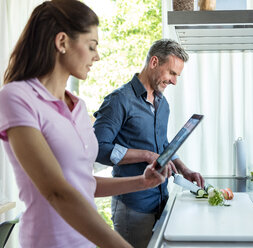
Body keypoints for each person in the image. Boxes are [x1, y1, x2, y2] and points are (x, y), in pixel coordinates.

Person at [0, 1, 172, 247]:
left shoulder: (78, 107)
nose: (97, 56)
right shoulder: (17, 97)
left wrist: (142, 182)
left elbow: (83, 184)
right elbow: (57, 191)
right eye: (91, 46)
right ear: (62, 42)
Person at [93, 39, 205, 247]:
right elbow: (98, 149)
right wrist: (146, 155)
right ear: (154, 62)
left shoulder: (163, 104)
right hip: (132, 206)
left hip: (161, 199)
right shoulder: (118, 100)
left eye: (177, 76)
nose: (174, 81)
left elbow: (162, 144)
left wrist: (184, 170)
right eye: (171, 73)